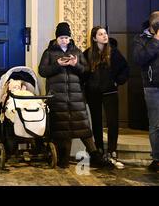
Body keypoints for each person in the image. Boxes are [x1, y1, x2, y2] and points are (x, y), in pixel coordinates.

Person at [38, 22, 109, 169]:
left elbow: (86, 71)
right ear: (56, 38)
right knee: (63, 128)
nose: (64, 40)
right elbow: (42, 71)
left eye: (66, 37)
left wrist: (75, 64)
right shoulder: (49, 53)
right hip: (58, 98)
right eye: (62, 37)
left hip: (76, 97)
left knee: (83, 126)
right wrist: (58, 64)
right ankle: (63, 159)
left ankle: (95, 155)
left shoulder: (76, 51)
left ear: (70, 38)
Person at [83, 26, 129, 169]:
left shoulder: (114, 53)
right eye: (101, 34)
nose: (105, 36)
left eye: (105, 33)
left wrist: (117, 81)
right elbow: (83, 73)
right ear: (94, 38)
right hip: (93, 93)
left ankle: (112, 150)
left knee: (112, 122)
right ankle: (99, 150)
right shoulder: (88, 54)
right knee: (96, 122)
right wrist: (86, 86)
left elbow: (125, 69)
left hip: (110, 92)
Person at [133, 11, 159, 173]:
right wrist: (156, 41)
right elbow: (139, 59)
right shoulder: (140, 39)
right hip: (152, 86)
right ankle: (157, 158)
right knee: (156, 125)